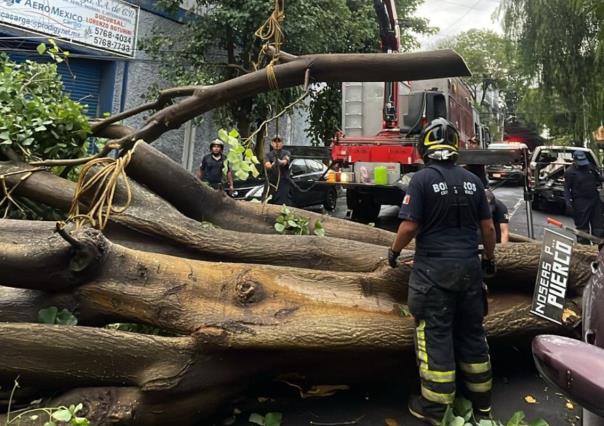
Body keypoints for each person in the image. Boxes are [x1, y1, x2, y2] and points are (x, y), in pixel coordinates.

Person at [388, 118, 497, 425]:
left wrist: (394, 252)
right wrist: (488, 260)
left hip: (433, 275)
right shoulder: (473, 182)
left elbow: (409, 225)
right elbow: (487, 227)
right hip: (470, 272)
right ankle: (482, 406)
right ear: (454, 148)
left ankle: (435, 408)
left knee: (435, 335)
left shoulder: (421, 181)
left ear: (425, 148)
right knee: (473, 335)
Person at [564, 150, 604, 244]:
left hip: (594, 200)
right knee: (582, 228)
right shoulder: (570, 172)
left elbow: (599, 178)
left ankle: (598, 249)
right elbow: (566, 188)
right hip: (580, 202)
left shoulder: (590, 167)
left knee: (598, 227)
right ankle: (584, 249)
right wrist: (568, 202)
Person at [264, 136, 292, 205]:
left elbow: (285, 162)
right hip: (271, 184)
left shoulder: (287, 153)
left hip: (283, 184)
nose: (277, 143)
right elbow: (267, 166)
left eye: (279, 141)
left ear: (282, 144)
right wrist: (273, 164)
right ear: (271, 143)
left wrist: (279, 162)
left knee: (282, 204)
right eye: (275, 141)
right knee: (267, 203)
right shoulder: (267, 155)